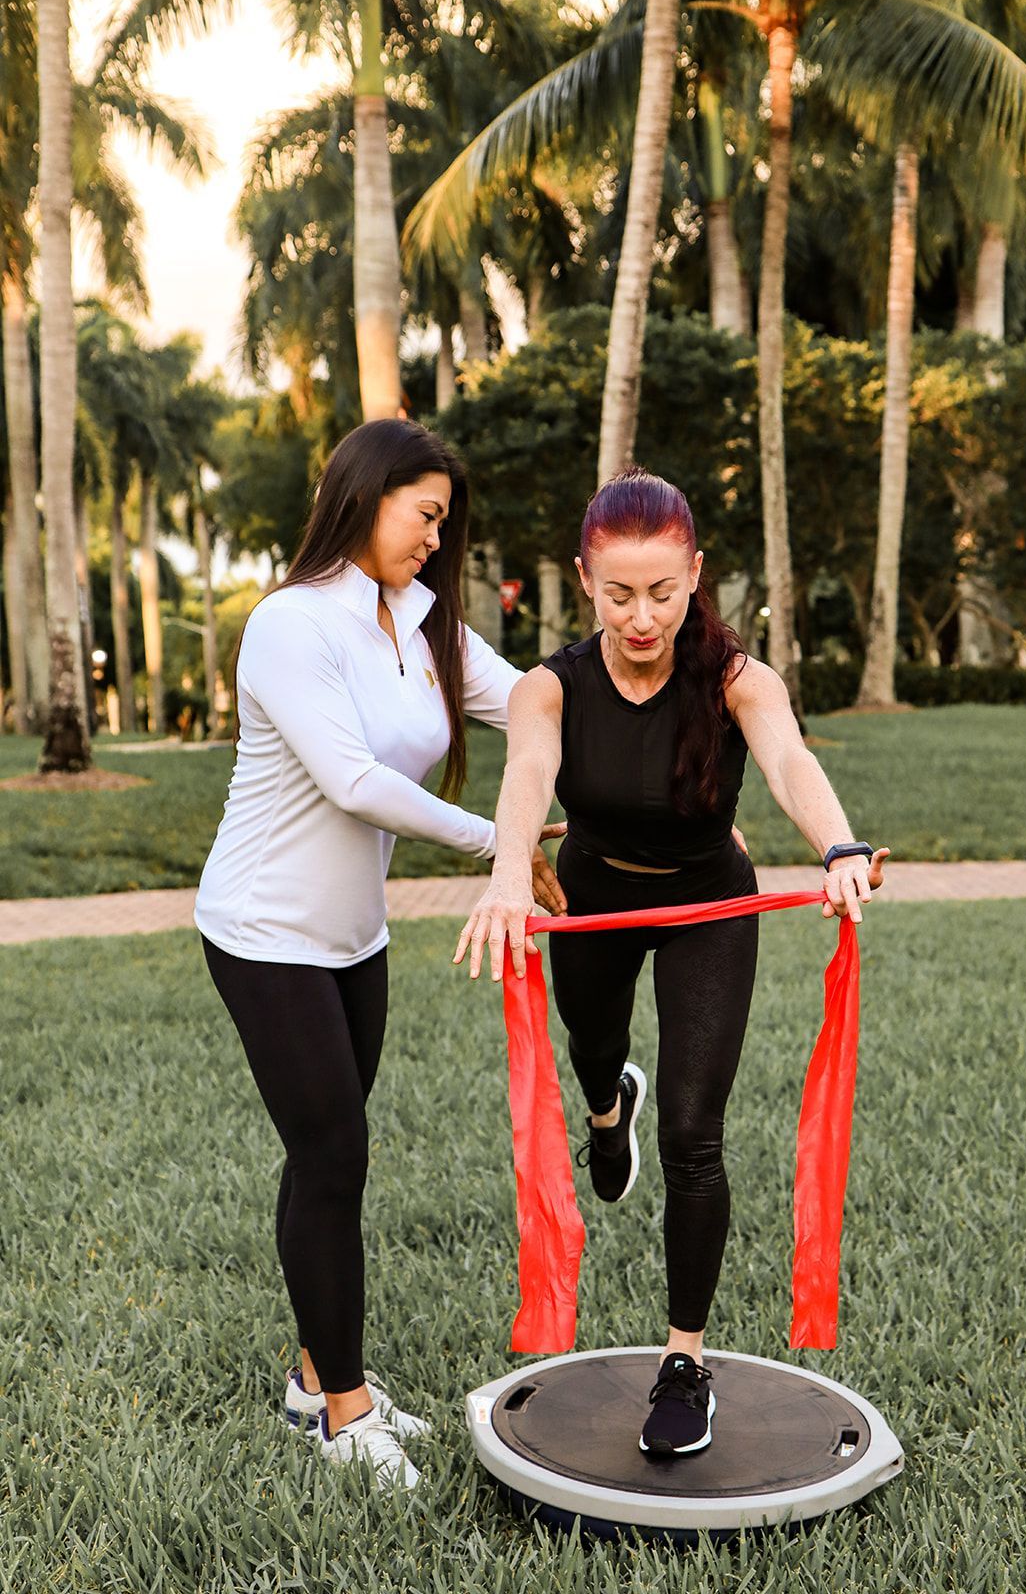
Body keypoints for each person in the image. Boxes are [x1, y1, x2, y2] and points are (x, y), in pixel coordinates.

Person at [455, 468, 889, 1458]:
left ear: (694, 575)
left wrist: (837, 845)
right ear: (583, 580)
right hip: (593, 892)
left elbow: (785, 760)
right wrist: (508, 878)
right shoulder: (548, 685)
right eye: (616, 593)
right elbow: (525, 774)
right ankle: (610, 1112)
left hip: (706, 901)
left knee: (696, 1134)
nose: (640, 615)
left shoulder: (737, 677)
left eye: (660, 590)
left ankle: (683, 1361)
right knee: (590, 1053)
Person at [195, 419, 561, 1488]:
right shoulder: (288, 624)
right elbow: (351, 780)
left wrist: (641, 700)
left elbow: (532, 701)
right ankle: (342, 1413)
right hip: (263, 930)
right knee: (334, 1150)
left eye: (446, 523)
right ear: (362, 495)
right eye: (425, 515)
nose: (436, 542)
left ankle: (314, 1371)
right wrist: (501, 840)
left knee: (327, 1154)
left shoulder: (425, 620)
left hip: (356, 934)